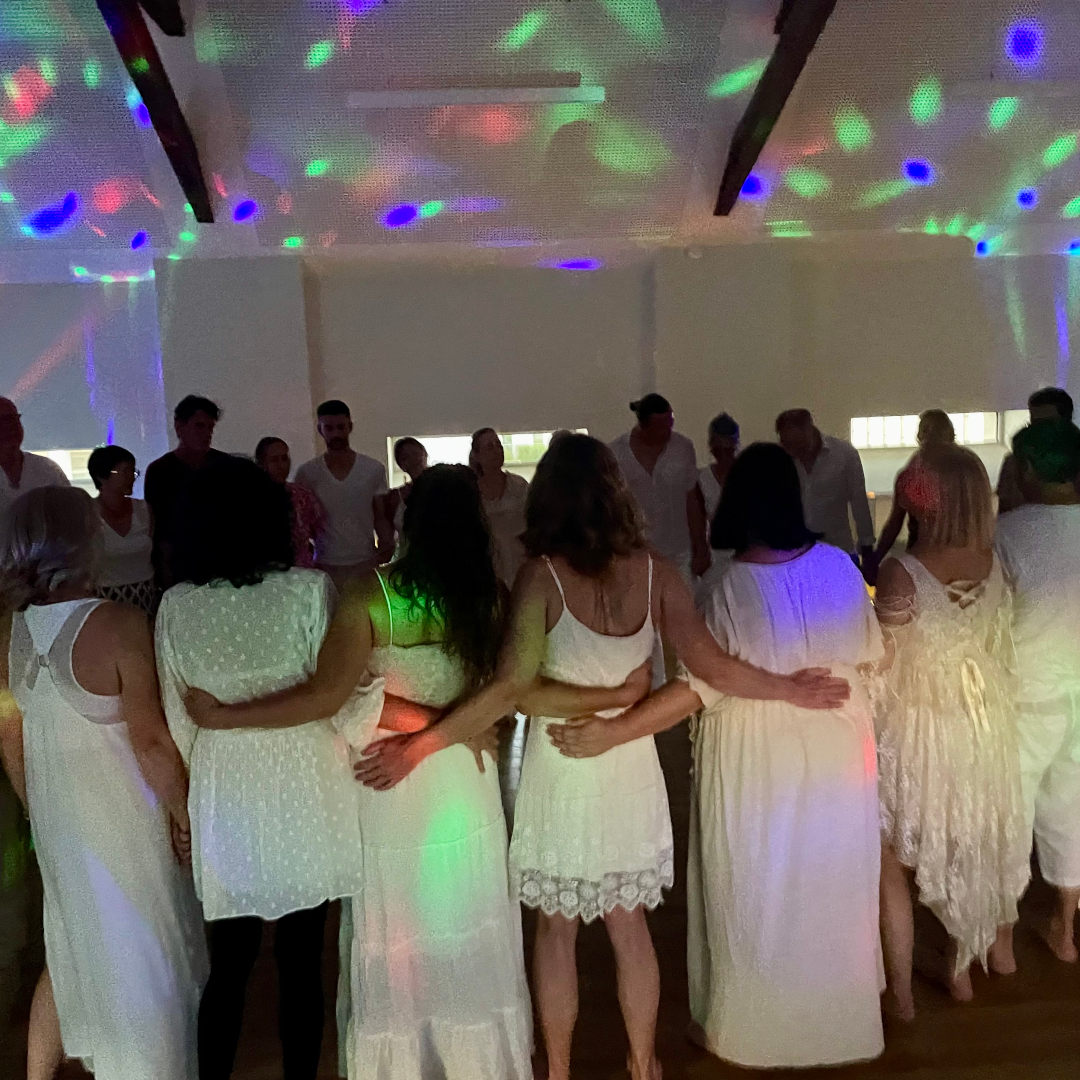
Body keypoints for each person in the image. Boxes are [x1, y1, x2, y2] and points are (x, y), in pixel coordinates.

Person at [349, 435, 849, 1080]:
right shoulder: (656, 571)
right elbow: (711, 670)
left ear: (547, 497)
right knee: (628, 925)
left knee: (555, 931)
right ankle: (643, 1062)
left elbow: (513, 688)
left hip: (560, 765)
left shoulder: (541, 576)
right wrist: (784, 688)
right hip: (628, 764)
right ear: (616, 492)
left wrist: (423, 744)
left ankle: (559, 1069)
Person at [185, 465, 550, 1080]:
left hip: (387, 776)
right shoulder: (490, 594)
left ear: (408, 519)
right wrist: (449, 730)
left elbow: (328, 698)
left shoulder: (370, 595)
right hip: (465, 771)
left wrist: (224, 717)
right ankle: (473, 1059)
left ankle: (401, 1061)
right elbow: (504, 693)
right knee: (465, 910)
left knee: (397, 919)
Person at [551, 443, 886, 1069]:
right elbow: (872, 655)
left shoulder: (730, 586)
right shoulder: (841, 567)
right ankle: (840, 1023)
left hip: (755, 751)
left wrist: (616, 731)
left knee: (758, 882)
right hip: (841, 742)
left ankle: (751, 1030)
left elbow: (697, 687)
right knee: (833, 881)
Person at [155, 457, 364, 1080]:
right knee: (302, 961)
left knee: (231, 960)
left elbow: (179, 722)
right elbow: (338, 703)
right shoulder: (308, 592)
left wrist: (187, 805)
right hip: (305, 781)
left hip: (227, 788)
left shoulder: (177, 606)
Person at [0, 486, 206, 1080]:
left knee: (73, 950)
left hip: (59, 822)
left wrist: (38, 812)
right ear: (81, 543)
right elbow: (151, 742)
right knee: (148, 956)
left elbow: (11, 738)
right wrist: (185, 816)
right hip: (125, 821)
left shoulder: (11, 632)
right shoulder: (116, 623)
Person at [875, 444, 1028, 1017]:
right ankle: (960, 972)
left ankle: (902, 996)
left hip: (920, 727)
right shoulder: (993, 562)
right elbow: (1001, 645)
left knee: (892, 856)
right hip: (985, 726)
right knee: (969, 839)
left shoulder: (902, 571)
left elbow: (882, 663)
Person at [996, 420, 1080, 963]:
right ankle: (1065, 930)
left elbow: (990, 618)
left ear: (1026, 469)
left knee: (1012, 811)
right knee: (1070, 811)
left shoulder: (1008, 532)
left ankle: (1002, 941)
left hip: (1025, 693)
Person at [294, 400, 393, 593]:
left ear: (350, 427)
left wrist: (386, 544)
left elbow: (380, 515)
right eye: (329, 428)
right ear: (320, 430)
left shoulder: (373, 469)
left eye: (341, 427)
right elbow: (302, 519)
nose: (336, 434)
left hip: (365, 560)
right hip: (324, 564)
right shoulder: (307, 473)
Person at [609, 394, 709, 581]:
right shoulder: (616, 454)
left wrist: (701, 547)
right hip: (636, 551)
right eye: (661, 427)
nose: (668, 431)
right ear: (644, 426)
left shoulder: (682, 448)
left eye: (670, 423)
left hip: (679, 550)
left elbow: (692, 499)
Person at [144, 395, 228, 590]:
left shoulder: (225, 466)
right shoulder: (160, 471)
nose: (206, 433)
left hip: (222, 562)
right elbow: (159, 527)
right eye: (199, 426)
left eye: (210, 427)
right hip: (179, 566)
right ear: (179, 427)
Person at [776, 408, 874, 569]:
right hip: (794, 557)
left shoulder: (844, 454)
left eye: (797, 444)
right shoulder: (779, 459)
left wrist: (867, 547)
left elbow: (859, 503)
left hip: (838, 550)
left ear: (809, 430)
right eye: (787, 445)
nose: (792, 451)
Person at [865, 410, 956, 581]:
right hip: (925, 559)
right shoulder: (911, 474)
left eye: (930, 431)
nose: (924, 436)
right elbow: (895, 522)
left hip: (951, 559)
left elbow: (894, 523)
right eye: (924, 430)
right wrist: (874, 560)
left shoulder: (963, 473)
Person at [88, 445, 158, 616]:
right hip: (105, 595)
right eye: (124, 472)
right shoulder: (88, 514)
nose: (131, 478)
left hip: (146, 592)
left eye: (133, 472)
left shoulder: (144, 510)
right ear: (101, 476)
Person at [997, 387, 1075, 514]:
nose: (1038, 430)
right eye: (1034, 422)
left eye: (1047, 423)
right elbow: (1004, 507)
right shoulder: (1016, 463)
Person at [255, 436, 327, 569]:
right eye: (274, 460)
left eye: (284, 458)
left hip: (302, 570)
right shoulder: (252, 499)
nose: (281, 465)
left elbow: (319, 531)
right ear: (261, 463)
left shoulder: (302, 496)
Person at [471, 427, 529, 589]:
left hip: (520, 563)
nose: (497, 450)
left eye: (499, 445)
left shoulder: (519, 485)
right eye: (489, 447)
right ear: (477, 455)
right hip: (487, 568)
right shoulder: (472, 491)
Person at [0, 397, 69, 524]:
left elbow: (70, 518)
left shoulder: (48, 470)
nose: (9, 428)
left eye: (13, 420)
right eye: (2, 423)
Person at [383, 436, 428, 550]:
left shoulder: (442, 487)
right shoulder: (396, 496)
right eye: (406, 457)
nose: (414, 460)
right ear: (401, 464)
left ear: (424, 456)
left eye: (415, 454)